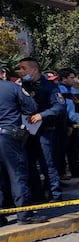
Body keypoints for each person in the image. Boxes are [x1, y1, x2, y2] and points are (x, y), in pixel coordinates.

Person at [0, 70, 48, 225]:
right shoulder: (12, 87)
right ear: (2, 73)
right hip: (8, 136)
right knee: (17, 175)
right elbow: (31, 108)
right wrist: (26, 89)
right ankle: (24, 214)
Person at [18, 57, 67, 203]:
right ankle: (37, 195)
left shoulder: (49, 87)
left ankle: (55, 195)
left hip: (45, 130)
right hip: (27, 131)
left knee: (47, 163)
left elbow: (60, 107)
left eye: (23, 68)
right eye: (19, 68)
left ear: (34, 70)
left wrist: (42, 115)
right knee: (30, 163)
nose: (20, 71)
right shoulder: (23, 86)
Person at [57, 68, 79, 180]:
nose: (74, 80)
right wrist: (68, 124)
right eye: (72, 78)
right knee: (62, 149)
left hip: (74, 123)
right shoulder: (60, 90)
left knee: (74, 149)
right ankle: (61, 172)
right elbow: (63, 109)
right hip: (64, 124)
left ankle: (75, 171)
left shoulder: (72, 89)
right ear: (64, 78)